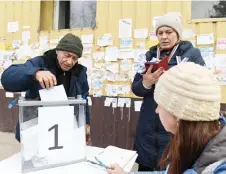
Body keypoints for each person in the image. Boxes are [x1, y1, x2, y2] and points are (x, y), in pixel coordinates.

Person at [107, 62, 226, 174]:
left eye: (160, 104)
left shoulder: (219, 167)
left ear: (178, 114)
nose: (156, 110)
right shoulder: (191, 141)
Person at [131, 13, 205, 171]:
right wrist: (146, 82)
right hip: (148, 127)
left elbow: (202, 84)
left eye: (169, 32)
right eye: (160, 33)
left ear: (177, 34)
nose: (164, 37)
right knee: (146, 167)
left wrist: (173, 79)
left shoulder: (191, 54)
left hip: (176, 127)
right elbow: (136, 89)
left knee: (173, 167)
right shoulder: (148, 55)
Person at [1, 33, 91, 144]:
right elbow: (7, 78)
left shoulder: (80, 73)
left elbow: (83, 99)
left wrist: (86, 124)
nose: (70, 62)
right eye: (67, 55)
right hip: (37, 129)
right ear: (57, 50)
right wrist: (35, 73)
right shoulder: (39, 62)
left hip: (64, 129)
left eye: (74, 58)